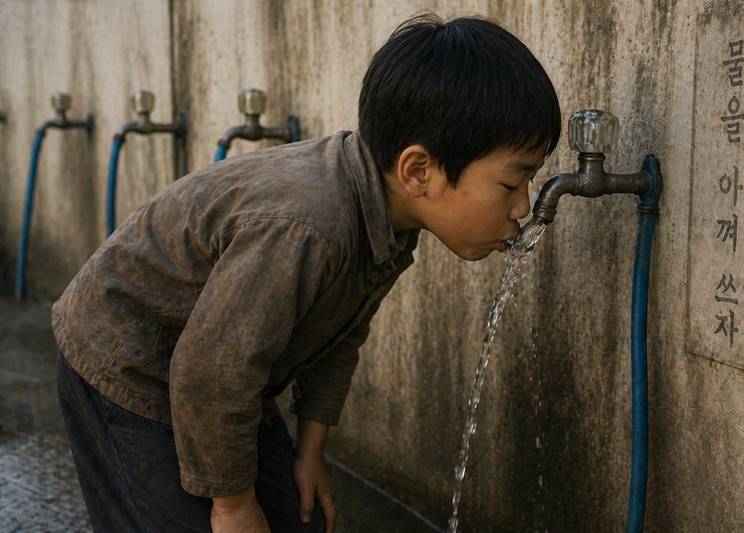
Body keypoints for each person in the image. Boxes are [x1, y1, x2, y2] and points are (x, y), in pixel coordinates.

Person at [53, 12, 560, 533]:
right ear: (418, 171)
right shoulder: (308, 228)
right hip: (129, 362)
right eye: (510, 184)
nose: (523, 207)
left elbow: (339, 334)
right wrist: (230, 505)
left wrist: (310, 451)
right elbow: (211, 373)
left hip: (212, 367)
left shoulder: (390, 218)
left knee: (301, 519)